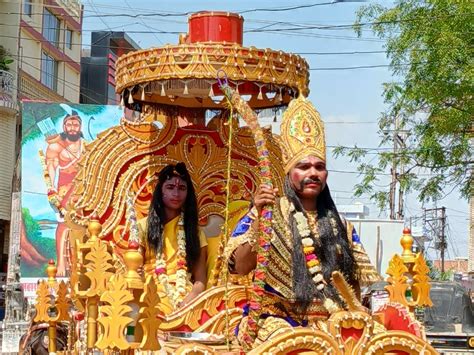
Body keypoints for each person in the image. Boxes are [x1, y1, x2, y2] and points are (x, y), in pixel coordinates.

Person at [225, 95, 380, 348]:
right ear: (289, 172)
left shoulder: (339, 225)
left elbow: (352, 288)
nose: (312, 173)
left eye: (319, 167)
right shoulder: (267, 213)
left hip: (331, 324)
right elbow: (239, 268)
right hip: (276, 323)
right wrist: (259, 222)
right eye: (304, 166)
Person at [139, 162, 208, 314]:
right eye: (170, 187)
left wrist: (187, 302)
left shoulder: (195, 233)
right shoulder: (143, 227)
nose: (176, 194)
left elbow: (200, 281)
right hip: (150, 292)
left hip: (185, 296)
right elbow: (136, 272)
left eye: (182, 188)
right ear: (160, 191)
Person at [45, 112, 85, 276]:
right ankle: (61, 263)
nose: (73, 128)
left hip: (82, 190)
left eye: (75, 125)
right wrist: (51, 189)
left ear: (80, 127)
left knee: (82, 225)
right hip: (63, 190)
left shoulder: (86, 146)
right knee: (63, 223)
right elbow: (51, 167)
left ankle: (80, 262)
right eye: (69, 124)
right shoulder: (56, 146)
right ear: (64, 127)